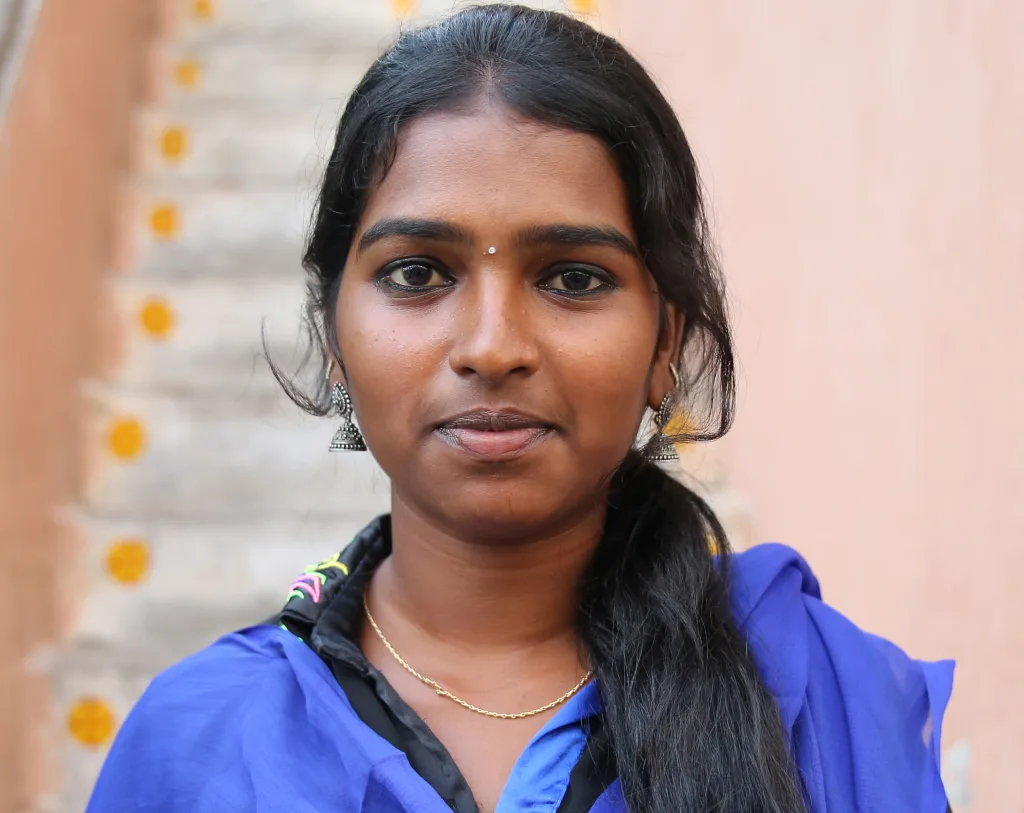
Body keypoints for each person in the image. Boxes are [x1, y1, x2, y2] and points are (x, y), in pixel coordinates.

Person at [87, 5, 954, 812]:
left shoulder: (825, 693)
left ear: (664, 346)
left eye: (573, 278)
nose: (494, 345)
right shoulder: (197, 743)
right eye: (418, 273)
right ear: (335, 339)